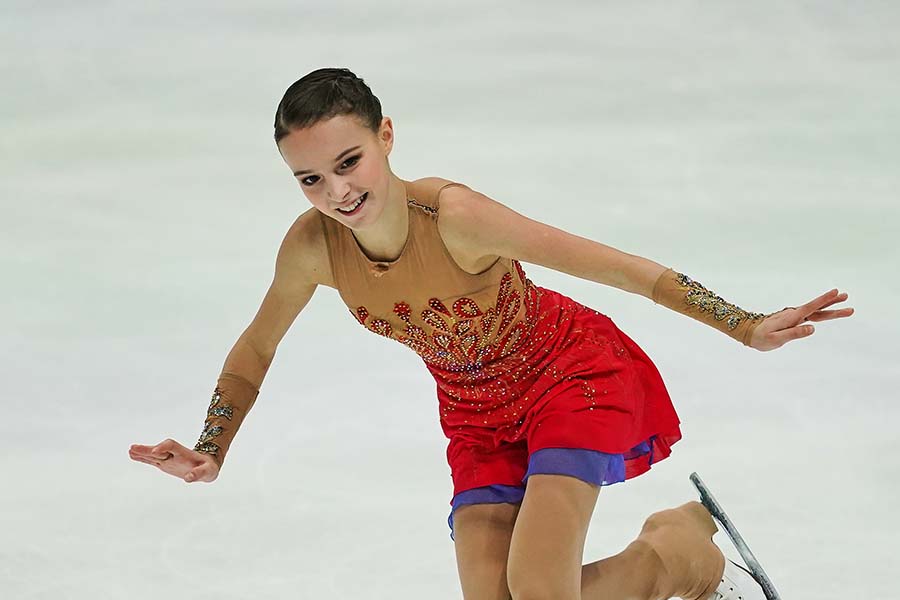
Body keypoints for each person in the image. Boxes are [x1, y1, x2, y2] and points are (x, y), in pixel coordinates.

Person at [129, 68, 854, 600]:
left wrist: (742, 324)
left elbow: (620, 268)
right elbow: (257, 346)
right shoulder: (313, 248)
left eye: (348, 163)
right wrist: (211, 448)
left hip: (570, 376)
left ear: (385, 137)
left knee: (539, 593)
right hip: (477, 419)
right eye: (310, 179)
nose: (336, 193)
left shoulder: (455, 218)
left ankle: (682, 557)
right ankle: (671, 548)